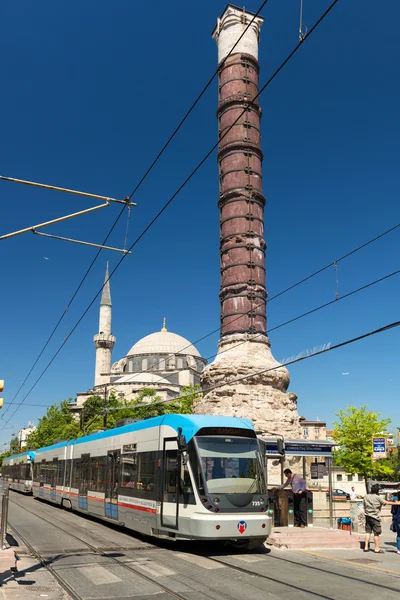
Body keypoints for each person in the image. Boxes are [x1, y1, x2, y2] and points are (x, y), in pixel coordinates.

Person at [363, 484, 400, 553]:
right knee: (376, 533)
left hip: (367, 516)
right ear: (377, 491)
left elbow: (364, 505)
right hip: (375, 517)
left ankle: (366, 547)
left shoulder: (366, 496)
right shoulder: (378, 497)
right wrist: (397, 503)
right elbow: (386, 502)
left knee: (368, 532)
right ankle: (377, 548)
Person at [391, 483, 400, 555]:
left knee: (399, 534)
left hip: (396, 519)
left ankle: (399, 549)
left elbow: (392, 511)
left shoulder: (394, 500)